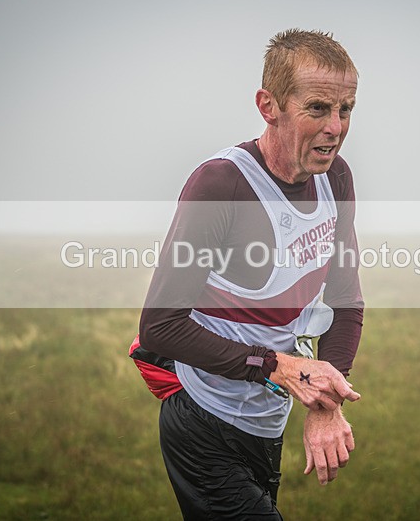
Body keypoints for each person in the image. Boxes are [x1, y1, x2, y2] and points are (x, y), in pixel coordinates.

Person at [131, 28, 364, 520]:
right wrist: (277, 367)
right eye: (318, 109)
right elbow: (159, 326)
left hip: (264, 427)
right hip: (202, 424)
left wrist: (326, 400)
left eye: (346, 109)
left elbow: (346, 304)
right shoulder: (222, 184)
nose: (336, 127)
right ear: (269, 104)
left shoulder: (336, 179)